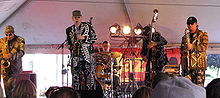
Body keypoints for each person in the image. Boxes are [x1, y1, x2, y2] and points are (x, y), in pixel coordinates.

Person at [66, 10, 97, 90]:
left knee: (90, 79)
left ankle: (90, 95)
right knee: (76, 78)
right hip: (76, 56)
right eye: (75, 17)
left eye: (78, 17)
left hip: (87, 57)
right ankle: (77, 94)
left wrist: (84, 38)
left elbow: (94, 38)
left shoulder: (88, 26)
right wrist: (69, 46)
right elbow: (68, 42)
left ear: (81, 18)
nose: (77, 19)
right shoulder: (69, 29)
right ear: (72, 18)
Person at [180, 16, 208, 86]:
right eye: (188, 24)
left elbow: (204, 47)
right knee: (187, 88)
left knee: (198, 88)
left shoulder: (203, 34)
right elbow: (181, 50)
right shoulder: (185, 37)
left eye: (192, 24)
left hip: (198, 67)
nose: (190, 25)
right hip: (187, 67)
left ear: (196, 24)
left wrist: (192, 46)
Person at [0, 25, 25, 97]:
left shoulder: (20, 40)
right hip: (5, 68)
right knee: (6, 87)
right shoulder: (1, 41)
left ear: (14, 32)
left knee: (13, 87)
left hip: (15, 68)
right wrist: (2, 58)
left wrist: (12, 56)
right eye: (6, 35)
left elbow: (22, 52)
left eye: (10, 34)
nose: (8, 36)